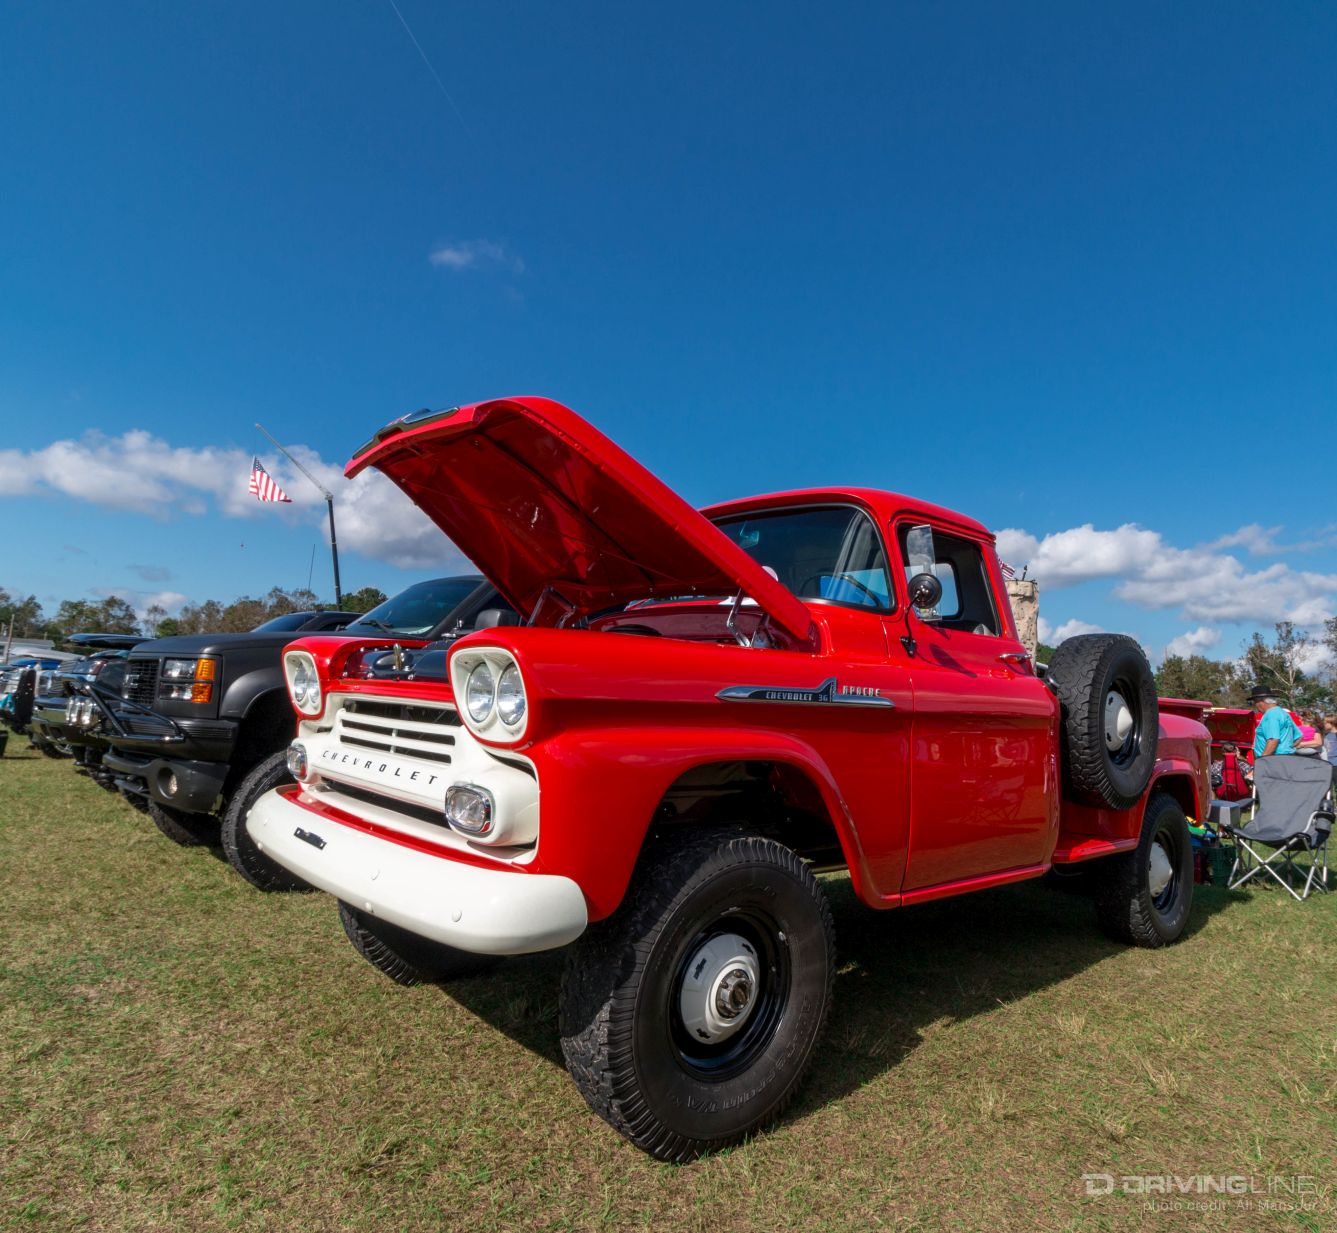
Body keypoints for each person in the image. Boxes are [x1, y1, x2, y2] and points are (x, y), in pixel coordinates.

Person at [1248, 685, 1301, 759]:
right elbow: (1299, 737)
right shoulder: (1284, 713)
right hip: (1288, 758)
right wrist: (1286, 749)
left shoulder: (1270, 715)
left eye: (1254, 702)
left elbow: (1273, 740)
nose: (1255, 705)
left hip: (1274, 760)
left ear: (1259, 701)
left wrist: (1262, 760)